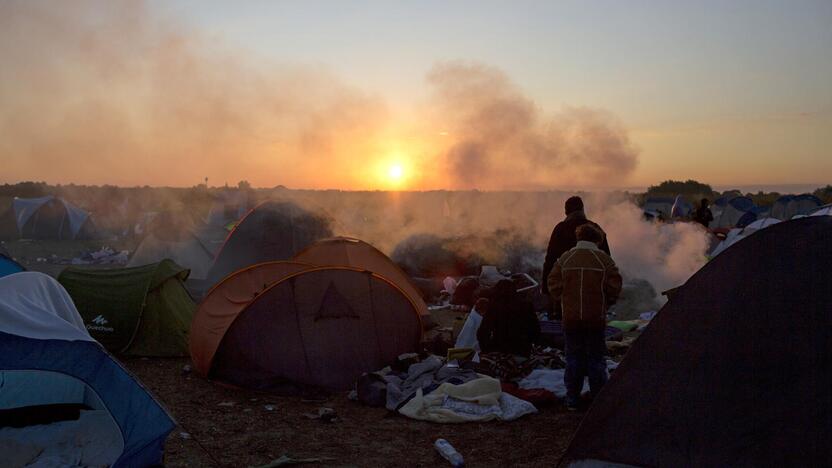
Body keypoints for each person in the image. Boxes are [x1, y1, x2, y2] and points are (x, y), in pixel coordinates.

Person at [547, 224, 622, 411]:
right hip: (595, 318)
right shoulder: (604, 260)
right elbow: (614, 287)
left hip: (571, 318)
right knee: (596, 358)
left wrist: (565, 299)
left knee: (573, 357)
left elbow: (553, 284)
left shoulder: (565, 259)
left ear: (578, 238)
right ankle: (598, 400)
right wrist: (606, 302)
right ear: (597, 240)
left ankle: (572, 399)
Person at [541, 196, 610, 319]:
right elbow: (608, 260)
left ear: (566, 211)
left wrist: (546, 290)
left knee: (566, 328)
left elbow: (550, 260)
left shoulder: (560, 229)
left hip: (567, 291)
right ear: (583, 209)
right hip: (593, 291)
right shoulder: (595, 228)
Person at [477, 279, 540, 358]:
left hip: (500, 350)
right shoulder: (526, 305)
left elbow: (483, 333)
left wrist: (486, 350)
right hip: (522, 350)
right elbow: (536, 331)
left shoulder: (495, 307)